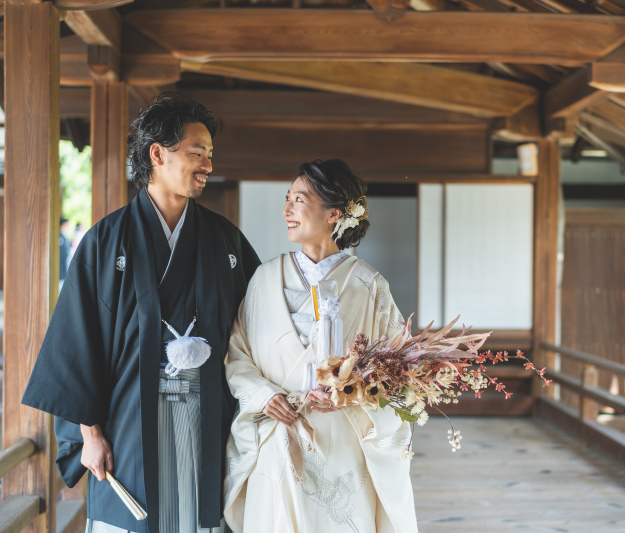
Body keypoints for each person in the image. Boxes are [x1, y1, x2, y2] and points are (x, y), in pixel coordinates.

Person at [22, 93, 261, 533]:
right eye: (197, 153)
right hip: (129, 422)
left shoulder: (224, 240)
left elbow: (258, 328)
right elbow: (77, 343)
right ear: (157, 154)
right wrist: (90, 435)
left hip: (207, 417)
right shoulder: (105, 241)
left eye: (210, 154)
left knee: (199, 516)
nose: (208, 164)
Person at [223, 159, 417, 533]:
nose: (287, 209)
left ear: (334, 214)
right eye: (287, 199)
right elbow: (238, 353)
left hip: (342, 441)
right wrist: (263, 395)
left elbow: (400, 374)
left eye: (299, 199)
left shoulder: (369, 285)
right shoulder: (264, 278)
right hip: (278, 432)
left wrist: (353, 394)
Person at [59, 216, 72, 291]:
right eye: (66, 225)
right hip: (60, 266)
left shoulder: (65, 237)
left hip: (65, 264)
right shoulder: (59, 236)